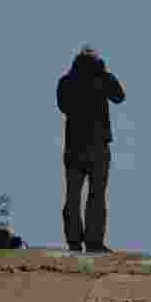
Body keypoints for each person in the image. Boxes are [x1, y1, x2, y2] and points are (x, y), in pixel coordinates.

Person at [57, 45, 125, 253]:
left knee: (72, 196)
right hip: (98, 145)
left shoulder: (67, 80)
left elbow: (63, 106)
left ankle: (74, 241)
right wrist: (104, 73)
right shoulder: (103, 78)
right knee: (96, 196)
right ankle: (94, 241)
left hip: (74, 145)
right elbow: (119, 96)